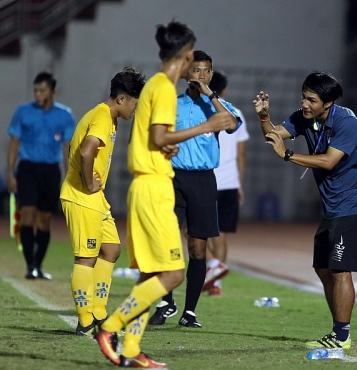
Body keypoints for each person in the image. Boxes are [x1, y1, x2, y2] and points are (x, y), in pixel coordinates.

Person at [94, 22, 235, 368]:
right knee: (172, 274)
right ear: (186, 56)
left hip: (148, 183)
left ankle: (130, 348)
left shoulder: (158, 87)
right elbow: (159, 136)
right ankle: (111, 328)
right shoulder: (164, 89)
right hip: (156, 189)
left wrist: (165, 150)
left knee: (149, 275)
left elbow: (151, 140)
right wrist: (207, 127)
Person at [253, 72, 357, 350]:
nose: (304, 104)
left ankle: (342, 336)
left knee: (340, 269)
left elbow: (330, 161)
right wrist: (263, 118)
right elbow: (274, 137)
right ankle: (336, 330)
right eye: (303, 97)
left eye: (311, 99)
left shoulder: (346, 122)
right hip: (331, 206)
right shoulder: (303, 117)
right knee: (322, 268)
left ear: (328, 102)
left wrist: (288, 155)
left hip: (352, 205)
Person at [148, 51, 241, 328]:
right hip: (172, 177)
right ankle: (166, 302)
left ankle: (189, 312)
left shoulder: (219, 105)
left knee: (198, 247)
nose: (201, 75)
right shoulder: (172, 104)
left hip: (202, 180)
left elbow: (233, 124)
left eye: (207, 71)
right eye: (197, 70)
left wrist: (212, 96)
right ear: (187, 72)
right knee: (165, 241)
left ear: (211, 74)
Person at [60, 67, 146, 337]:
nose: (136, 109)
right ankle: (85, 320)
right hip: (82, 197)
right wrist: (85, 182)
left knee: (111, 249)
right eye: (134, 103)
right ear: (121, 99)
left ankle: (98, 312)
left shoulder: (108, 118)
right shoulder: (101, 116)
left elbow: (72, 146)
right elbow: (86, 151)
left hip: (95, 197)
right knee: (86, 257)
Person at [6, 71, 76, 280]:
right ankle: (30, 266)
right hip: (27, 168)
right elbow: (13, 144)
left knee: (44, 220)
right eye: (36, 90)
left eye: (42, 90)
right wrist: (10, 173)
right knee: (27, 215)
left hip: (50, 171)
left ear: (53, 91)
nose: (38, 94)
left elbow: (67, 148)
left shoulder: (64, 115)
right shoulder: (23, 112)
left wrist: (71, 176)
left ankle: (38, 264)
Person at [203, 70, 250, 296]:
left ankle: (212, 265)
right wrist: (239, 184)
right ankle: (216, 280)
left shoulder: (203, 110)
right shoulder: (236, 112)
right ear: (225, 89)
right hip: (230, 182)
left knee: (190, 228)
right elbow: (242, 154)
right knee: (221, 234)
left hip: (206, 179)